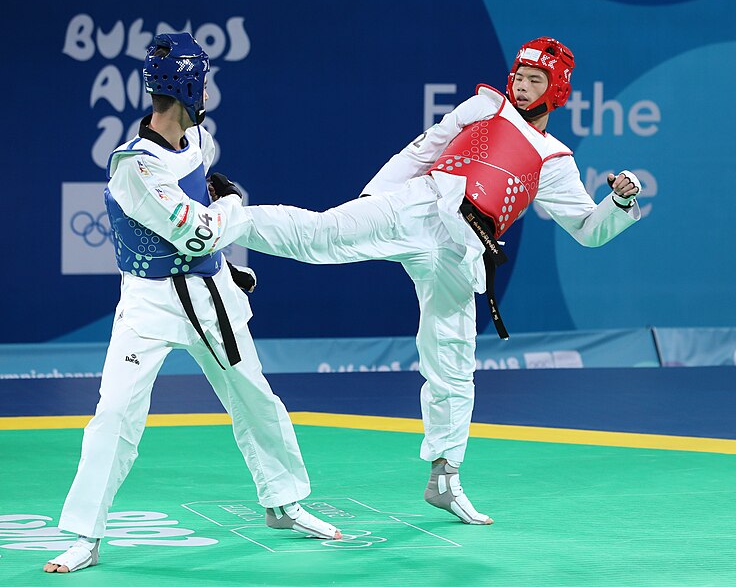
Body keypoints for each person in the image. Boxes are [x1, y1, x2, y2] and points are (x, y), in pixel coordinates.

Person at [229, 37, 642, 526]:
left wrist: (617, 203)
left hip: (463, 249)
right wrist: (377, 197)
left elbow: (589, 232)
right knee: (324, 235)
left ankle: (445, 477)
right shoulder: (485, 107)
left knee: (453, 360)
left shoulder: (556, 162)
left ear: (557, 91)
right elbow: (423, 148)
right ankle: (220, 222)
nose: (524, 87)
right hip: (421, 205)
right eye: (520, 76)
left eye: (536, 81)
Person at [44, 33, 341, 574]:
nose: (207, 92)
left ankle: (283, 501)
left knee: (253, 395)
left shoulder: (195, 137)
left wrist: (209, 187)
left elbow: (196, 193)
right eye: (202, 82)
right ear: (187, 87)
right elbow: (199, 233)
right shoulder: (133, 167)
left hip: (209, 295)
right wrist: (232, 205)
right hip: (150, 302)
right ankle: (85, 535)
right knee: (115, 413)